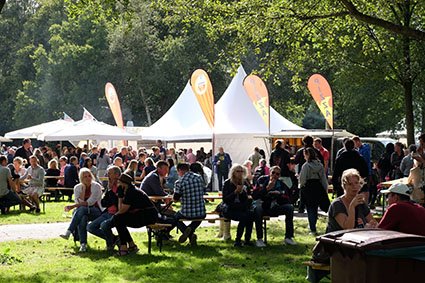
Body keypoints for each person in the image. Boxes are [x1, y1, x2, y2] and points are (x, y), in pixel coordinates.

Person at [113, 173, 158, 256]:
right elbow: (122, 211)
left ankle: (124, 247)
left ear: (123, 183)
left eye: (119, 182)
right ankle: (131, 245)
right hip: (144, 214)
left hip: (148, 216)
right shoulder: (129, 189)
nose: (118, 184)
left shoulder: (131, 191)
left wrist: (120, 196)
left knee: (118, 219)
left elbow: (122, 210)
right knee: (119, 219)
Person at [60, 168, 103, 252]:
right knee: (82, 217)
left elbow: (90, 202)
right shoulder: (77, 187)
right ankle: (83, 244)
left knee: (82, 209)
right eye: (85, 177)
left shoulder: (96, 186)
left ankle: (68, 231)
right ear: (81, 178)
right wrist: (83, 190)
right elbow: (79, 202)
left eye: (89, 176)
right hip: (82, 211)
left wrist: (73, 206)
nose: (88, 178)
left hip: (96, 210)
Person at [253, 166, 297, 247]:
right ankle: (259, 239)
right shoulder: (261, 180)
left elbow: (288, 198)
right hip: (263, 206)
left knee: (289, 207)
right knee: (257, 209)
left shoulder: (281, 184)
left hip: (275, 207)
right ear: (269, 172)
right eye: (273, 172)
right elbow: (255, 195)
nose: (274, 175)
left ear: (279, 175)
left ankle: (288, 237)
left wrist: (279, 195)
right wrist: (266, 189)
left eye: (277, 174)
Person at [326, 169, 377, 233]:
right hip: (337, 240)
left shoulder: (361, 203)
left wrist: (371, 226)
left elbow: (373, 222)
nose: (354, 186)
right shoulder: (337, 204)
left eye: (356, 183)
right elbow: (348, 228)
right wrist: (352, 206)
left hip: (358, 239)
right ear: (344, 186)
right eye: (350, 184)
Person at [172, 163, 206, 246]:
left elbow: (175, 199)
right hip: (201, 212)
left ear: (180, 170)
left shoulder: (179, 182)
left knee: (174, 217)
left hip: (186, 212)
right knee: (200, 216)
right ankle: (191, 231)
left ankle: (188, 232)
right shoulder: (199, 177)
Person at [87, 166, 121, 251]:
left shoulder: (121, 185)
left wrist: (110, 192)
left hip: (117, 213)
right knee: (90, 227)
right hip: (107, 212)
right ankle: (114, 239)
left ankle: (110, 244)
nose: (107, 175)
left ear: (117, 175)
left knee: (104, 225)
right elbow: (103, 202)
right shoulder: (110, 185)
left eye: (110, 173)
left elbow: (115, 201)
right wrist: (109, 189)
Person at [222, 164, 254, 247]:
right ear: (233, 172)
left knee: (250, 215)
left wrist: (243, 193)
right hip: (230, 208)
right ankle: (238, 240)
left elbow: (248, 198)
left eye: (241, 171)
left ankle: (247, 239)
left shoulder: (245, 182)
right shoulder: (227, 183)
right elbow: (225, 199)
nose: (240, 173)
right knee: (244, 217)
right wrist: (235, 192)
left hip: (241, 207)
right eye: (238, 171)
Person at [299, 148, 329, 236]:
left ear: (307, 155)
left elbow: (303, 179)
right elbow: (323, 178)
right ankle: (313, 225)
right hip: (318, 187)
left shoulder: (306, 166)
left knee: (310, 208)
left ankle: (312, 227)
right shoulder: (320, 165)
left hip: (309, 187)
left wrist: (301, 187)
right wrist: (325, 189)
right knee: (315, 208)